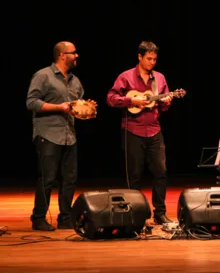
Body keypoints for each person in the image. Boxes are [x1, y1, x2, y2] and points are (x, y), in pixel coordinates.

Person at [26, 41, 97, 231]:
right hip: (48, 134)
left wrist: (86, 108)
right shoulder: (43, 76)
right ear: (62, 55)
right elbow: (31, 102)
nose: (77, 56)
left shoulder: (75, 81)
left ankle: (65, 218)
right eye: (74, 53)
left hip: (69, 135)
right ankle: (39, 218)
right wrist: (59, 107)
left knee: (70, 178)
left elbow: (76, 106)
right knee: (47, 178)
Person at [107, 41, 173, 225]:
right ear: (140, 57)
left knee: (161, 172)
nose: (152, 62)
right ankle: (135, 214)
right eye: (149, 58)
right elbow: (111, 99)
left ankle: (159, 213)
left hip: (154, 129)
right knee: (134, 175)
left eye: (154, 59)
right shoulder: (126, 77)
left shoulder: (159, 78)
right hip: (132, 129)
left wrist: (167, 101)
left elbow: (165, 106)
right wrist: (131, 101)